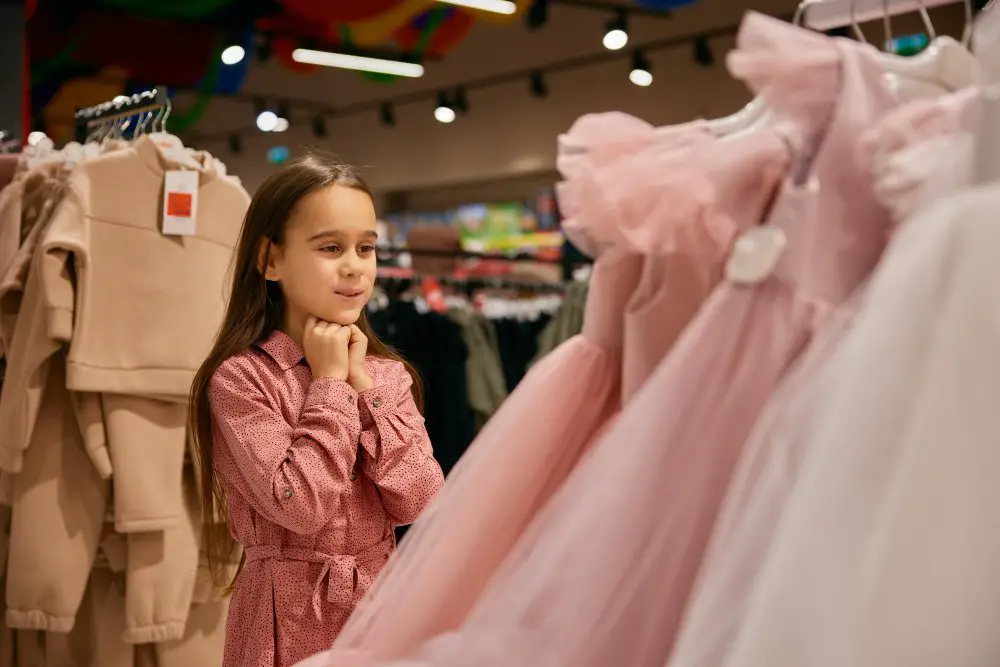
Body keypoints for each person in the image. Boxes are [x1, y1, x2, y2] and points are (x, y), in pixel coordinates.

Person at [188, 153, 445, 667]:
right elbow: (302, 506)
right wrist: (328, 384)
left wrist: (363, 389)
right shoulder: (242, 378)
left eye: (366, 247)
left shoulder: (387, 375)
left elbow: (422, 501)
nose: (354, 265)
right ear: (270, 259)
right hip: (281, 622)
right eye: (330, 247)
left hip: (380, 610)